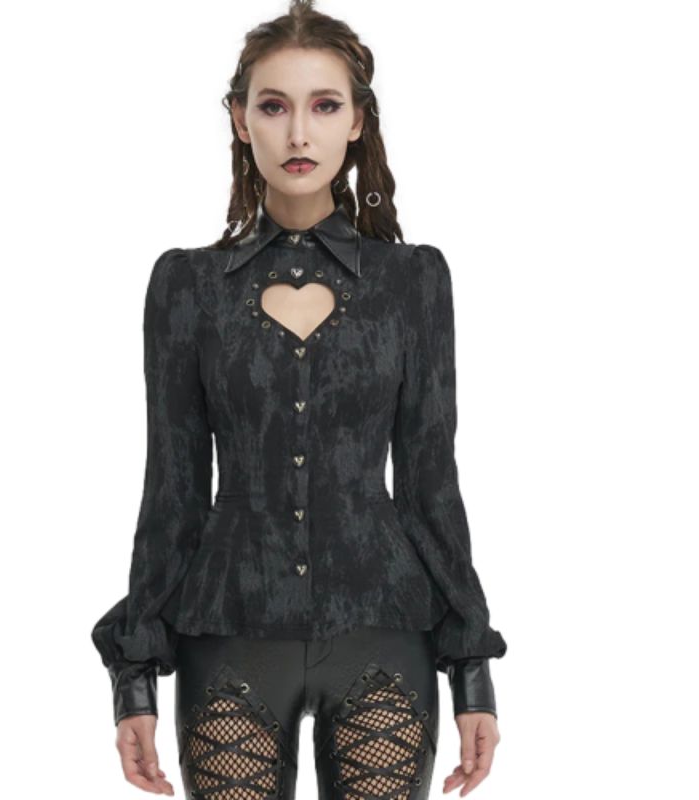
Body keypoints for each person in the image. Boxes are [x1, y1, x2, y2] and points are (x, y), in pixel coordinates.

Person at [91, 2, 507, 798]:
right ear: (240, 119)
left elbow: (430, 485)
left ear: (358, 121)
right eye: (274, 106)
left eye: (324, 105)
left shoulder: (412, 281)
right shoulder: (186, 286)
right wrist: (133, 679)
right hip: (228, 638)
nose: (298, 135)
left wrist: (472, 672)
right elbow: (173, 489)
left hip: (386, 634)